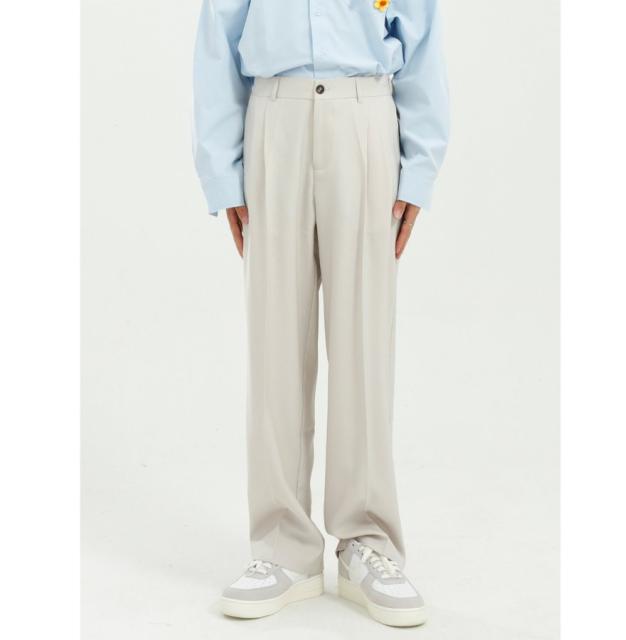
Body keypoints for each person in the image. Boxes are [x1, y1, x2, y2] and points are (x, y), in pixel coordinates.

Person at [193, 0, 449, 627]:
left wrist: (418, 168)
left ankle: (367, 539)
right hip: (273, 116)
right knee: (275, 340)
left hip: (365, 114)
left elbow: (420, 36)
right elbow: (218, 36)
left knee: (365, 342)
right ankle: (284, 547)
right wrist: (222, 173)